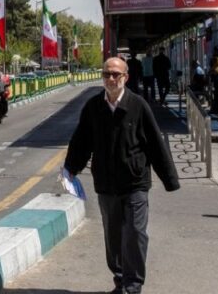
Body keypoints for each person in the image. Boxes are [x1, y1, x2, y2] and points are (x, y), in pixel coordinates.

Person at [64, 57, 180, 294]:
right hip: (106, 184)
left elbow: (155, 143)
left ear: (126, 77)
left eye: (116, 74)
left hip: (135, 182)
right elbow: (81, 141)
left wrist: (170, 179)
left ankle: (133, 286)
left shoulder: (138, 105)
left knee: (135, 233)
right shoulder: (93, 107)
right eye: (106, 74)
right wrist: (71, 168)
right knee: (113, 236)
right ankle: (120, 280)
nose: (111, 78)